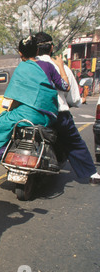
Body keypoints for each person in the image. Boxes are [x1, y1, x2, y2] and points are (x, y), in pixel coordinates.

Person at [0, 36, 67, 165]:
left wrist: (9, 111)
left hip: (27, 115)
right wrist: (61, 66)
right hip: (49, 116)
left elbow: (16, 98)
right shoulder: (48, 66)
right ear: (37, 51)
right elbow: (65, 86)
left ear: (20, 53)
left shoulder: (21, 68)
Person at [35, 32, 100, 185]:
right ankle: (92, 173)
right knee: (74, 143)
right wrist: (77, 101)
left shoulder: (28, 67)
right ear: (51, 48)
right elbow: (73, 97)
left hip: (33, 113)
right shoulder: (59, 67)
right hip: (59, 114)